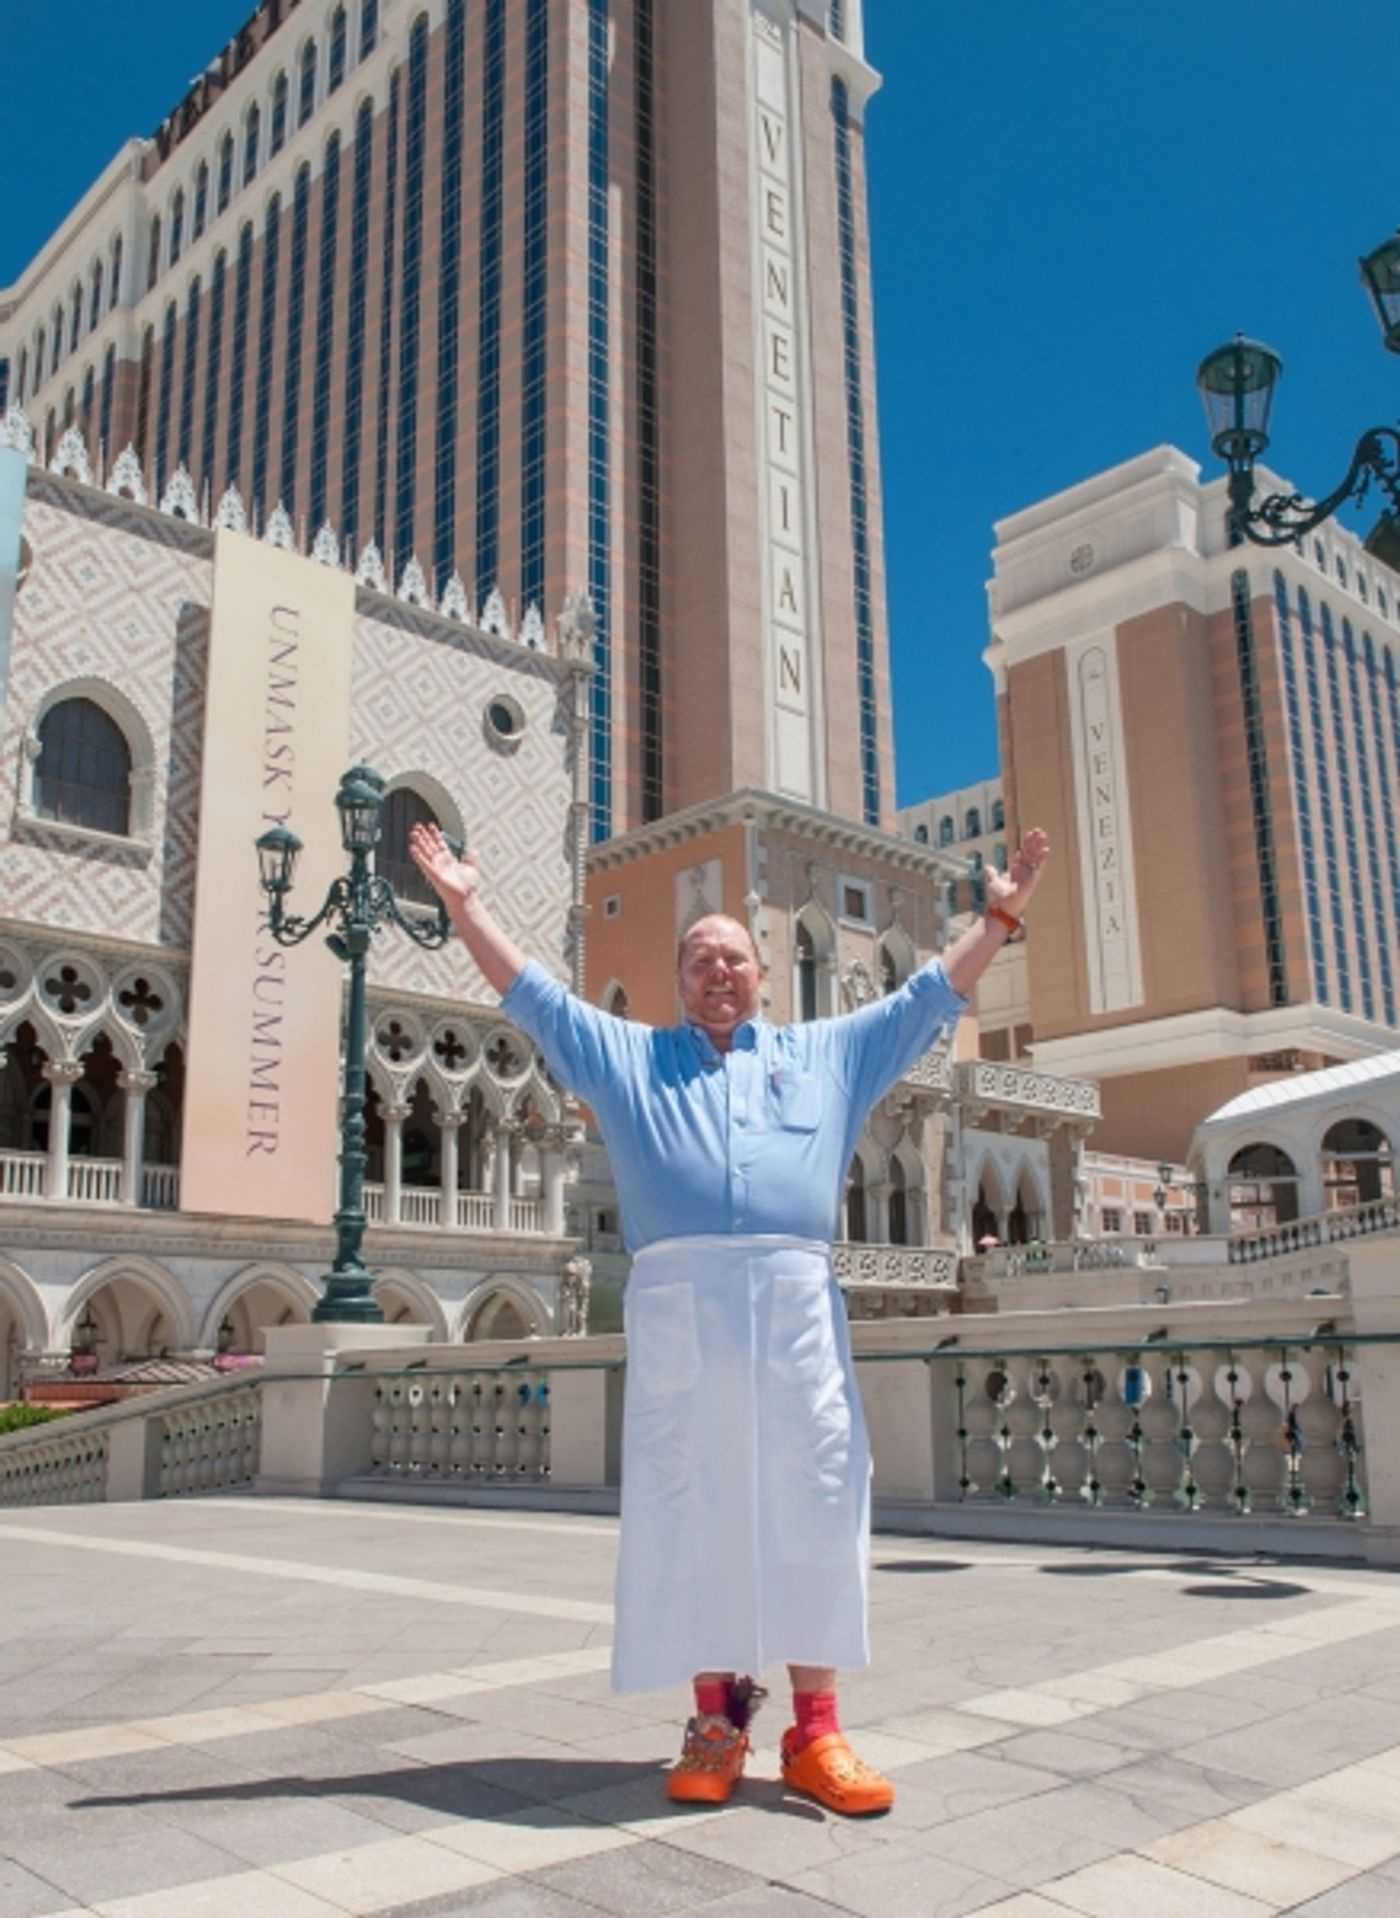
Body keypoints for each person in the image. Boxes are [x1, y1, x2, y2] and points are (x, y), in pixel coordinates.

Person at [410, 822, 1049, 1816]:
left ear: (761, 976)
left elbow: (929, 996)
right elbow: (530, 992)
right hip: (681, 1316)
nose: (719, 970)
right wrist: (462, 903)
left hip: (795, 1313)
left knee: (816, 1500)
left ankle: (816, 1733)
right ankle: (715, 1720)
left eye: (734, 957)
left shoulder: (826, 1053)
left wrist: (998, 915)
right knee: (690, 1505)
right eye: (700, 957)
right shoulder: (626, 1057)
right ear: (679, 980)